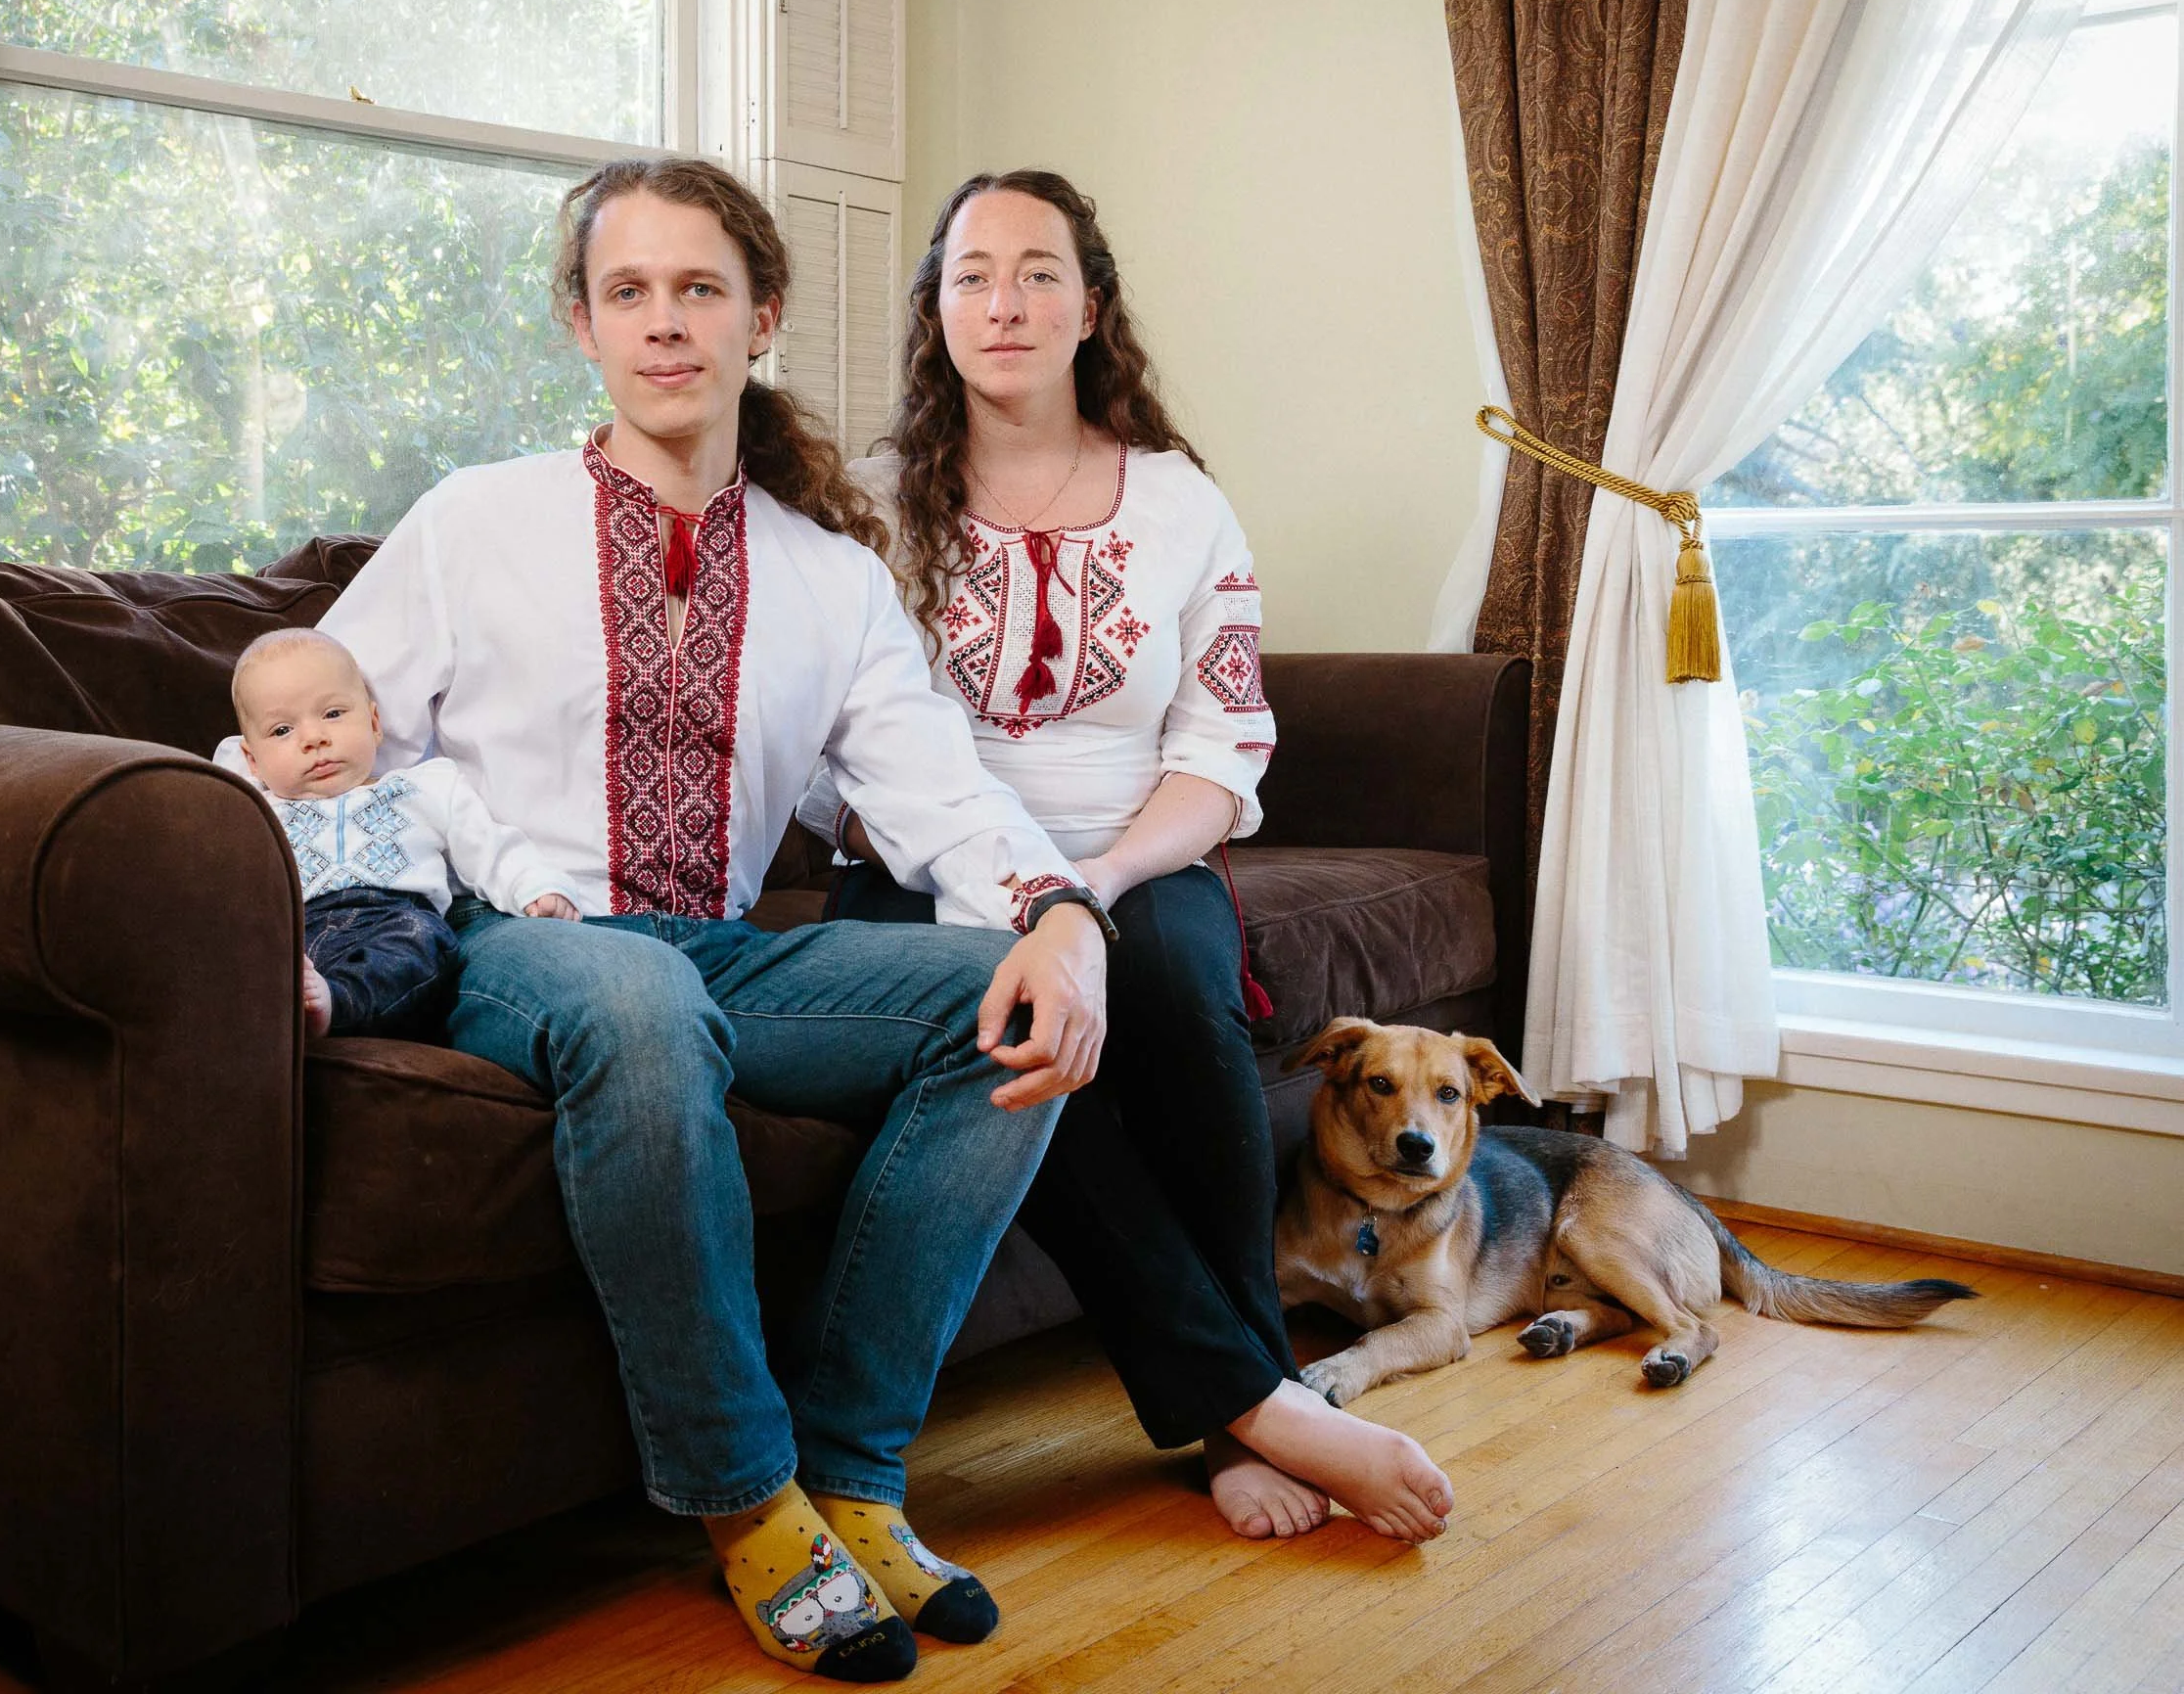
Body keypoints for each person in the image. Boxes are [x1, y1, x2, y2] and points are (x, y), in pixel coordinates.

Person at [289, 157, 1114, 1682]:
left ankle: (854, 1473)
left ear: (762, 319)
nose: (664, 325)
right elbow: (303, 735)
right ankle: (744, 1499)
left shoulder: (833, 579)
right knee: (636, 1004)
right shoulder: (475, 523)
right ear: (583, 329)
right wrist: (270, 913)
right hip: (511, 940)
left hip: (724, 947)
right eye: (628, 293)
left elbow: (939, 790)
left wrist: (1061, 917)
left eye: (699, 290)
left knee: (1003, 1006)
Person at [805, 169, 1456, 1546]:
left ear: (1091, 307)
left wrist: (1084, 893)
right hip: (929, 871)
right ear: (934, 310)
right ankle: (1254, 1398)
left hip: (1137, 856)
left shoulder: (1179, 502)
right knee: (1016, 1034)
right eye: (973, 273)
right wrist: (1010, 895)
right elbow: (828, 758)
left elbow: (1225, 743)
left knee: (1171, 991)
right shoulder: (861, 508)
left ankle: (1239, 1408)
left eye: (1040, 271)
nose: (1006, 300)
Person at [226, 626, 578, 1039]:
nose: (314, 738)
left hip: (394, 919)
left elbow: (488, 846)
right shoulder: (255, 810)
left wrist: (535, 886)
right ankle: (298, 999)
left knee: (426, 943)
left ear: (375, 723)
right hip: (297, 928)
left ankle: (333, 1003)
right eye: (282, 731)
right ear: (251, 759)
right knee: (246, 954)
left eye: (333, 714)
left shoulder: (424, 787)